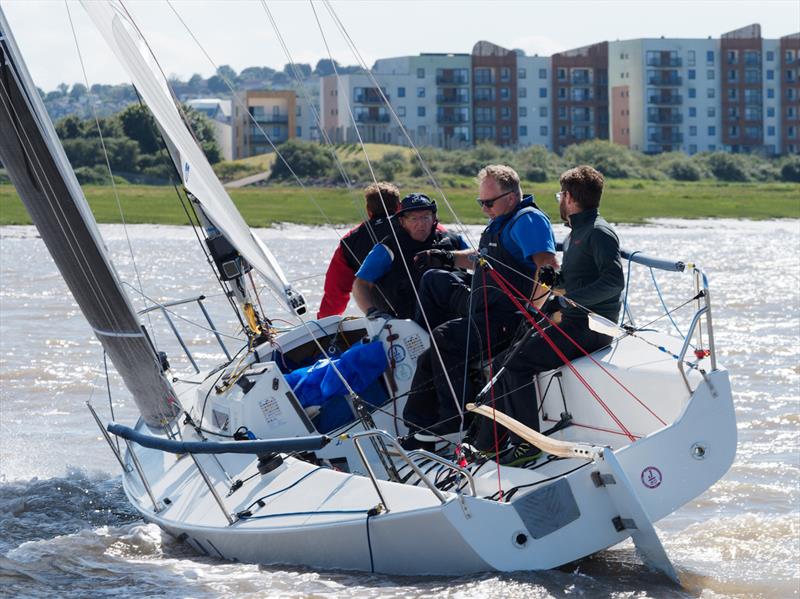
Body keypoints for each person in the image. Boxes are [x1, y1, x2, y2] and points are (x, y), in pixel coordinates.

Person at [403, 165, 558, 443]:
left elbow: (547, 266)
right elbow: (480, 257)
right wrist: (447, 257)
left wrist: (532, 314)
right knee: (430, 347)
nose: (485, 209)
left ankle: (455, 421)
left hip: (507, 319)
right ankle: (417, 430)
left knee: (445, 338)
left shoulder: (528, 220)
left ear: (510, 198)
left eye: (488, 203)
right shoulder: (501, 220)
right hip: (484, 310)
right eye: (481, 203)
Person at [492, 164, 625, 466]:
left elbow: (614, 281)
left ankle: (529, 445)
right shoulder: (578, 232)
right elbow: (580, 278)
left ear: (568, 197)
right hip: (574, 321)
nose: (559, 201)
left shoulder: (599, 233)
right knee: (503, 358)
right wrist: (558, 285)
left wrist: (572, 300)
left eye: (560, 195)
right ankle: (501, 440)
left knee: (514, 365)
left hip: (591, 328)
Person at [352, 193, 466, 320]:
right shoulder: (389, 248)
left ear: (434, 218)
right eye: (413, 218)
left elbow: (480, 262)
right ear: (402, 221)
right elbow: (361, 283)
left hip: (459, 317)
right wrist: (371, 312)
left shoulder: (453, 240)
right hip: (412, 323)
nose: (420, 224)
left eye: (425, 217)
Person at [317, 182, 401, 319]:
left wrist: (324, 326)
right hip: (425, 311)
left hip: (381, 317)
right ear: (399, 207)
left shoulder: (349, 240)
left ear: (368, 210)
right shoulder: (419, 226)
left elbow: (335, 291)